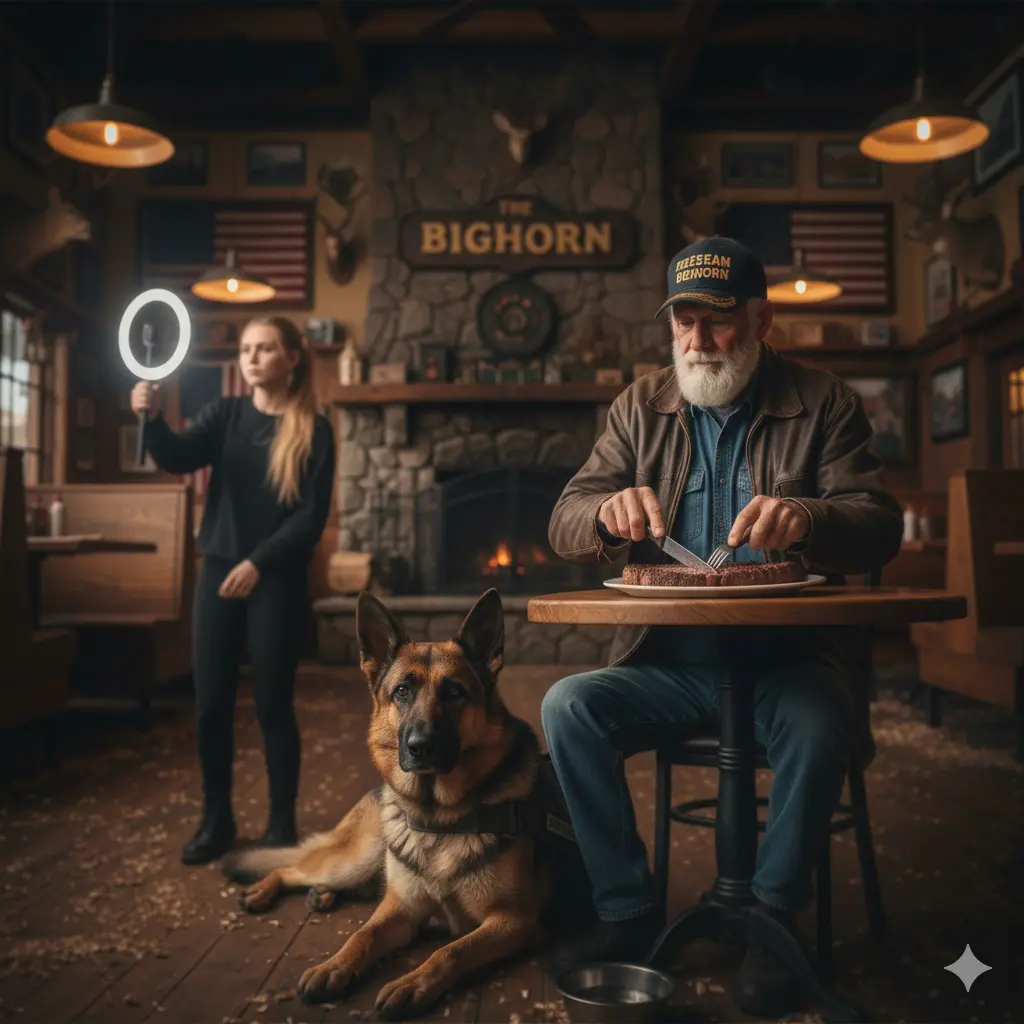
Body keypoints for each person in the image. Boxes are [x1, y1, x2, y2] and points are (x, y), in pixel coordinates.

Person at [543, 236, 903, 1016]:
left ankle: (773, 916)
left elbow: (878, 523)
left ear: (762, 320)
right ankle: (627, 909)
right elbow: (564, 516)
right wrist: (604, 514)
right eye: (685, 322)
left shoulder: (825, 400)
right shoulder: (638, 407)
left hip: (791, 661)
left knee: (820, 718)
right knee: (566, 705)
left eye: (720, 322)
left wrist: (806, 516)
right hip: (667, 662)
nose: (699, 342)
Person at [131, 316, 336, 867]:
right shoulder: (225, 414)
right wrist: (149, 417)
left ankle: (281, 826)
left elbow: (309, 521)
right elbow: (175, 456)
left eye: (265, 348)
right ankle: (216, 821)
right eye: (246, 349)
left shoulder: (315, 429)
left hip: (276, 579)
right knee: (211, 706)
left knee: (272, 705)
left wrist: (258, 562)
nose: (252, 357)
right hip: (219, 570)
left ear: (292, 357)